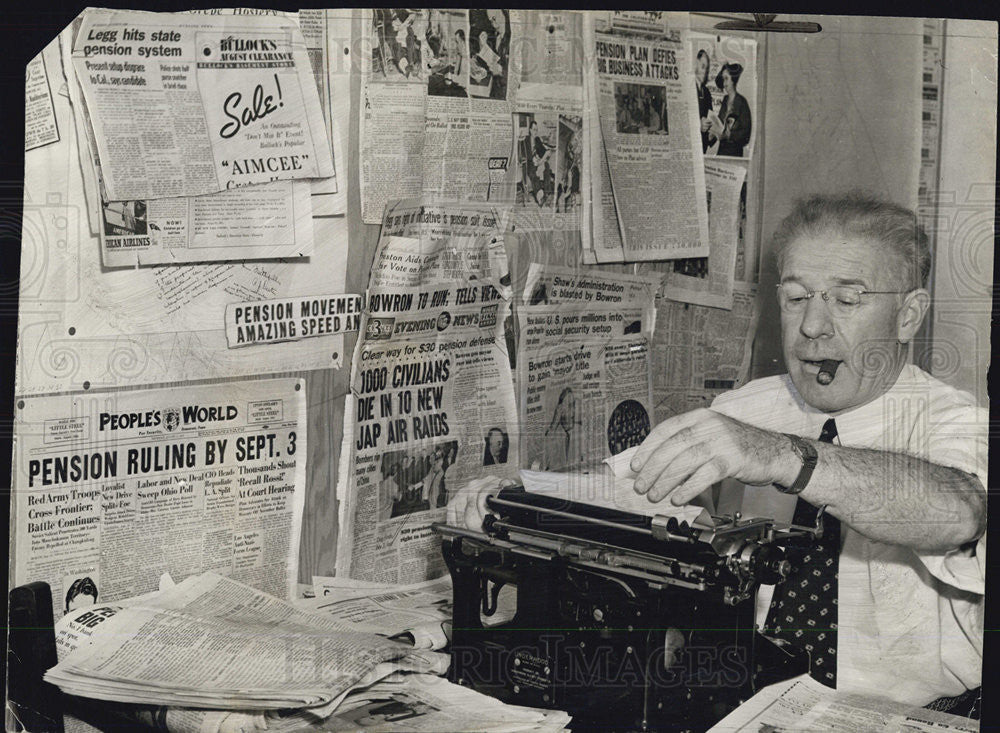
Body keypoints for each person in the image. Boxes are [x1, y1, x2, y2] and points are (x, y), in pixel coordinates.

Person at [448, 193, 986, 716]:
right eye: (797, 297)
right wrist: (516, 499)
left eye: (847, 300)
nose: (812, 327)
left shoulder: (957, 423)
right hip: (742, 697)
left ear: (909, 316)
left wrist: (784, 457)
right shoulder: (747, 407)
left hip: (905, 715)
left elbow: (961, 512)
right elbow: (626, 484)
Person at [712, 62, 752, 156]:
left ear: (733, 80)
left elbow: (746, 133)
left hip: (735, 153)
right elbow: (720, 123)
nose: (724, 83)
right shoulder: (725, 100)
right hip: (721, 152)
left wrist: (730, 135)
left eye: (726, 79)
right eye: (723, 79)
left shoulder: (742, 102)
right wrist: (712, 133)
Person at [544, 387, 582, 470]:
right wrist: (553, 426)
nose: (574, 411)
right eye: (569, 406)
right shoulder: (554, 435)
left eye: (574, 405)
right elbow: (545, 465)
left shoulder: (580, 431)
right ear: (560, 410)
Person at [694, 49, 714, 152]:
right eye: (702, 66)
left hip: (703, 147)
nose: (704, 71)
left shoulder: (707, 92)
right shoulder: (688, 88)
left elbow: (711, 117)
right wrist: (698, 125)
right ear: (696, 64)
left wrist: (712, 133)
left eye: (706, 68)